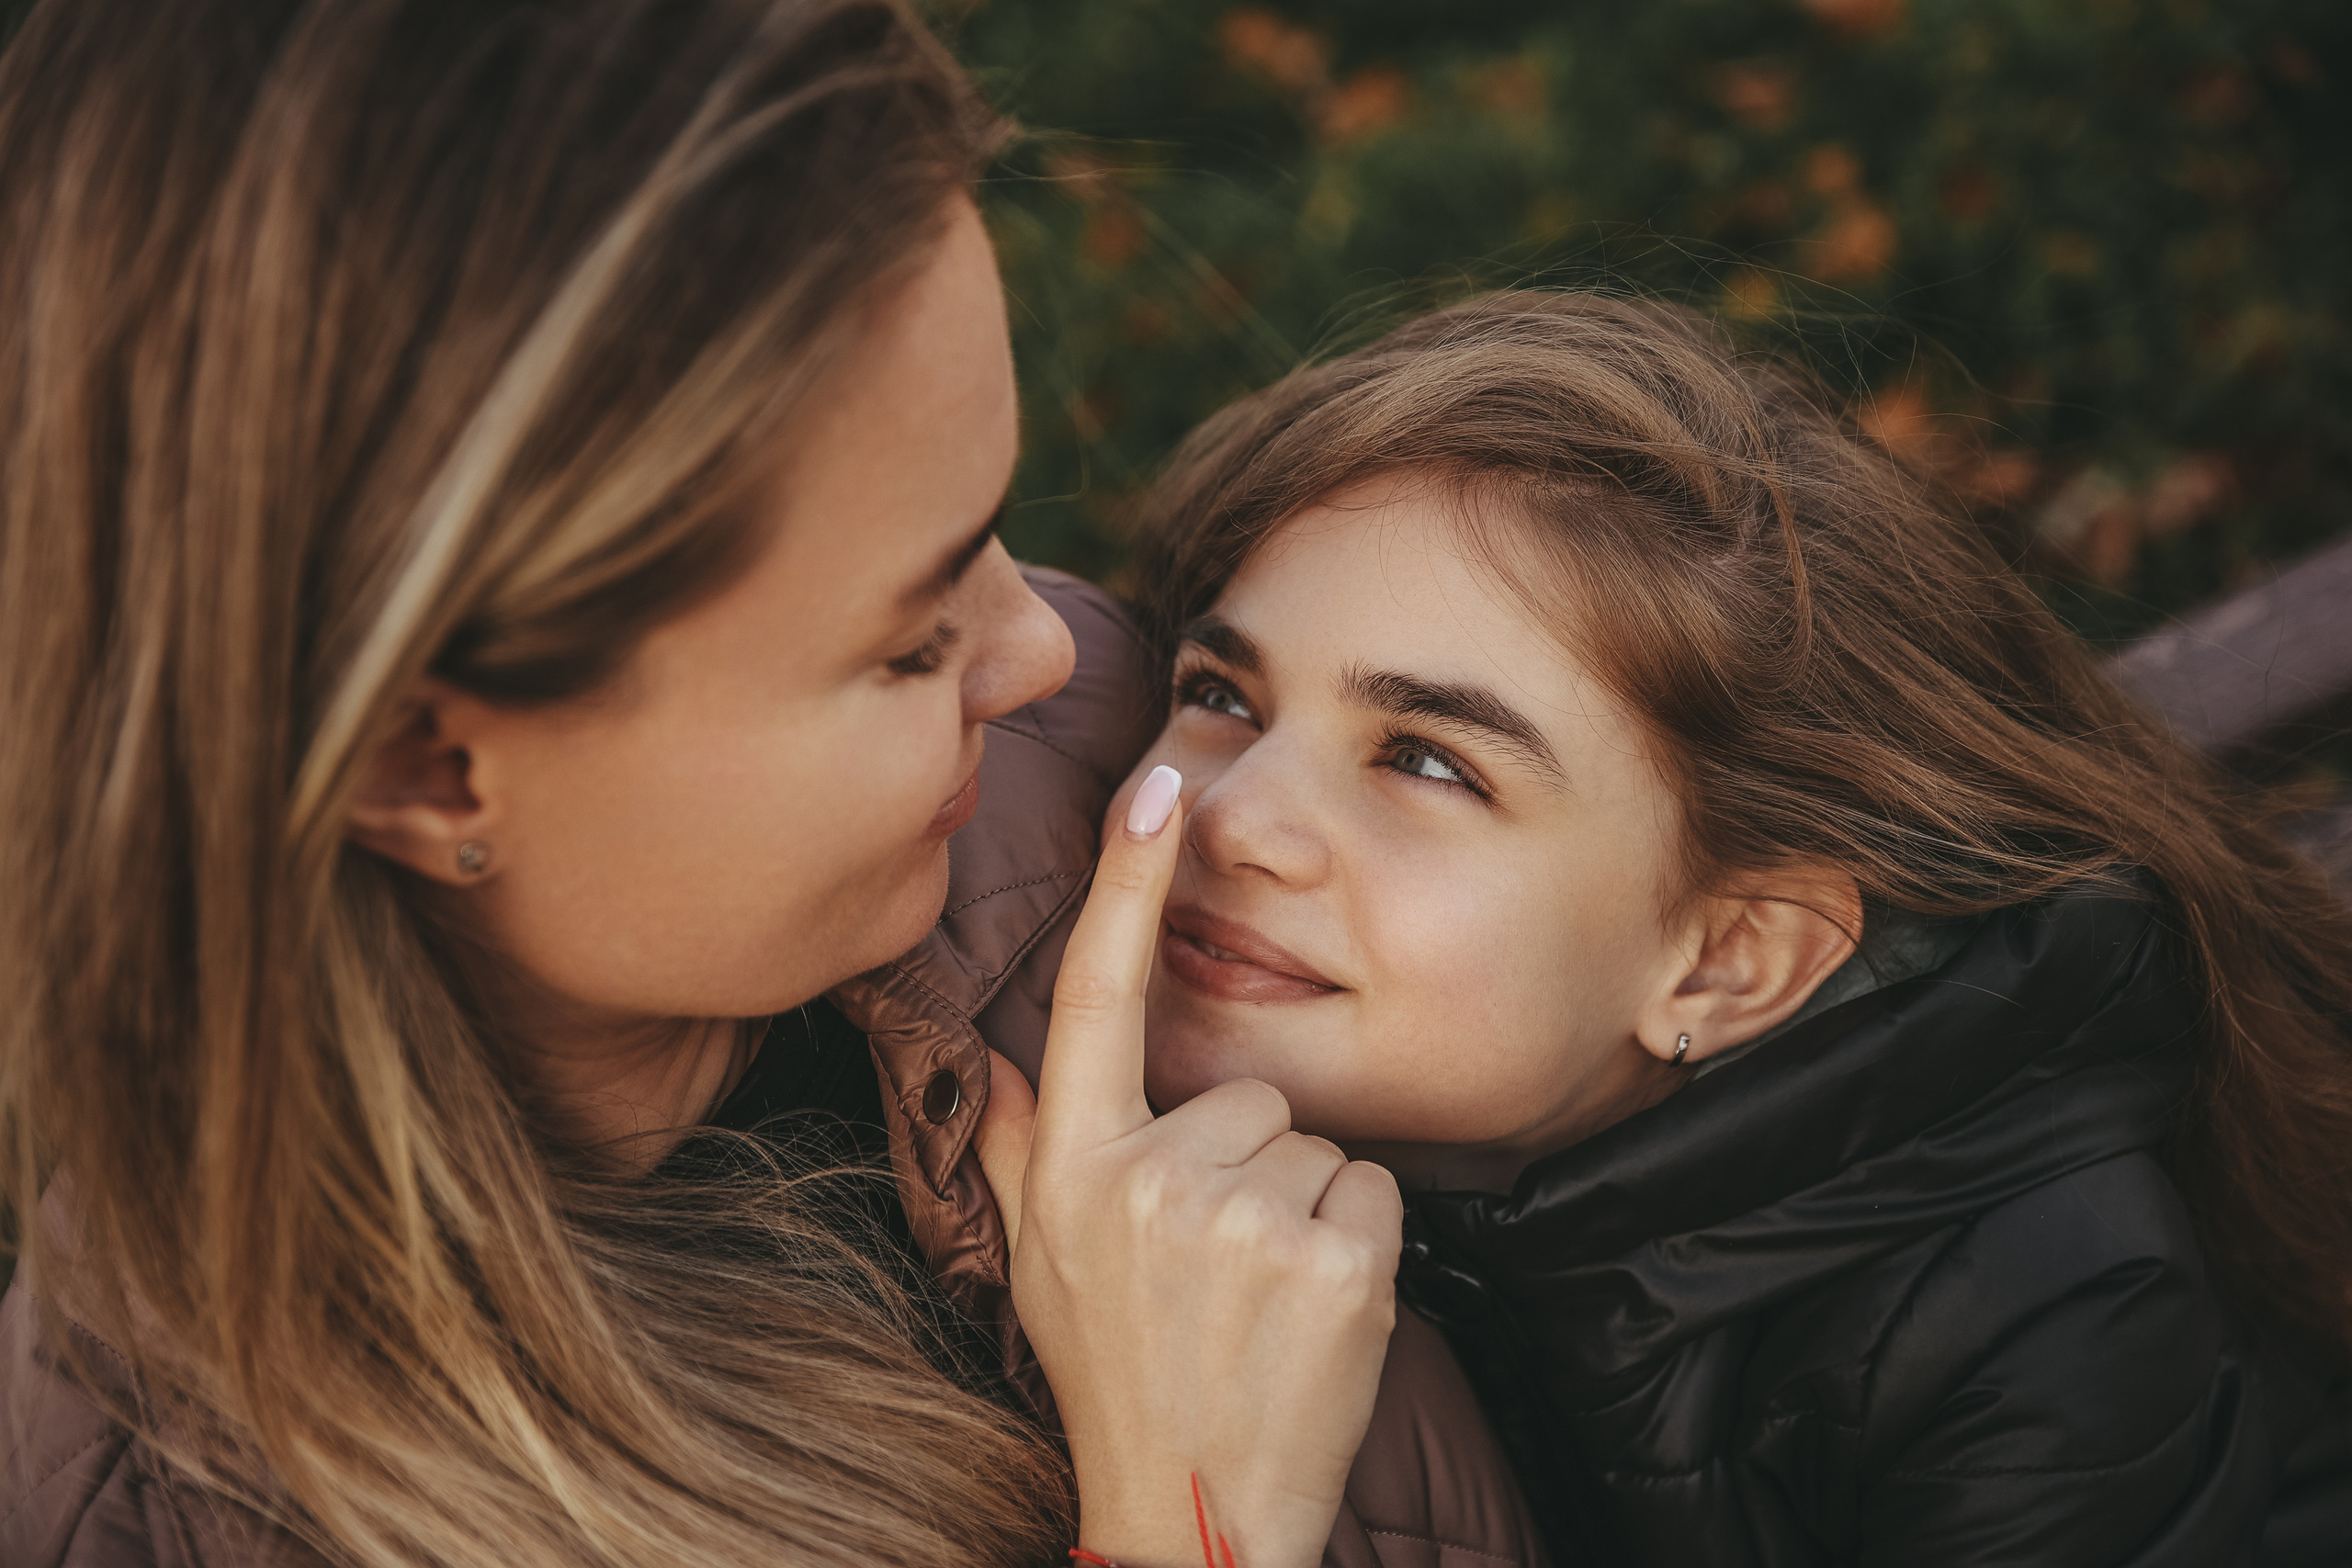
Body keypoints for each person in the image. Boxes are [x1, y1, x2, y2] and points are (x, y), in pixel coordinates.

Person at [0, 3, 1413, 1564]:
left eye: (996, 528)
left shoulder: (1097, 776)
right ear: (426, 766)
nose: (1045, 650)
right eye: (907, 640)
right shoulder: (197, 1520)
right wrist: (1182, 1524)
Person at [1095, 290, 2352, 1564]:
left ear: (1727, 961)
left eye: (1425, 761)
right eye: (1221, 693)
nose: (1233, 816)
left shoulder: (2042, 1325)